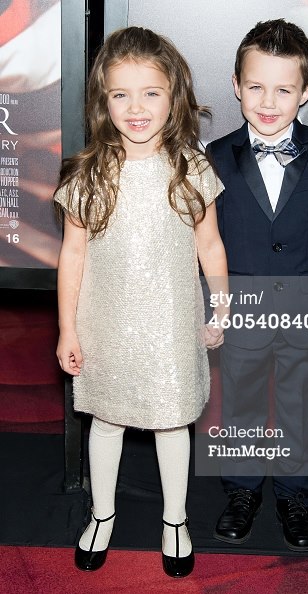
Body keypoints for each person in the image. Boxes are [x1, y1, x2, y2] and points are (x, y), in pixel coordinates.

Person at [54, 26, 227, 578]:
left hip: (172, 323)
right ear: (102, 101)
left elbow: (210, 244)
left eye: (150, 92)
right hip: (104, 321)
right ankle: (101, 514)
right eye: (120, 94)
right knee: (104, 421)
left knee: (173, 423)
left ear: (173, 96)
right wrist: (67, 330)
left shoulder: (191, 169)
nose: (136, 107)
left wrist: (220, 309)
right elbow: (72, 257)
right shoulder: (89, 173)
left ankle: (175, 519)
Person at [206, 19, 308, 551]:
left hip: (307, 307)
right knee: (240, 402)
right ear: (236, 85)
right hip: (240, 307)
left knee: (299, 404)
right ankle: (242, 491)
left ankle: (295, 495)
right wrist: (213, 310)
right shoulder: (216, 156)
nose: (268, 101)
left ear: (307, 92)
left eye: (284, 89)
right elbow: (205, 243)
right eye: (256, 86)